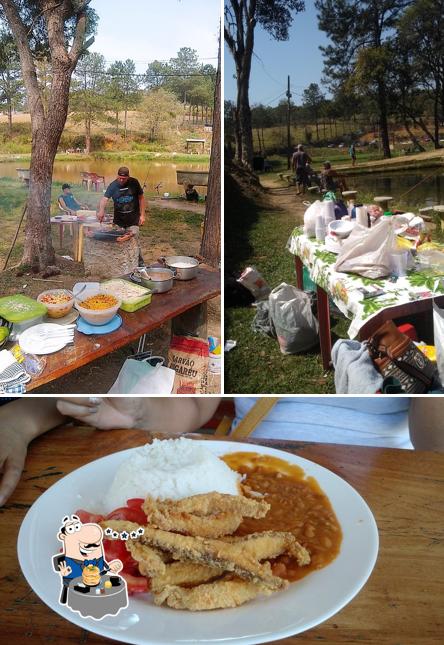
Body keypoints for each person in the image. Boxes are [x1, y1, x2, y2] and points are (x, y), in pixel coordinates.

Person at [1, 396, 443, 506]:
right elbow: (195, 408)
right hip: (242, 467)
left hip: (388, 479)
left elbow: (434, 446)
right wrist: (139, 412)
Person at [97, 166, 147, 265]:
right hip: (119, 221)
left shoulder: (134, 183)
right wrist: (101, 211)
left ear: (128, 177)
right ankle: (120, 262)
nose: (121, 180)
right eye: (119, 177)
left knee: (134, 241)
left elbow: (141, 198)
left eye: (123, 178)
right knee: (118, 241)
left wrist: (142, 215)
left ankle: (140, 264)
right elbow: (104, 199)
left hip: (133, 219)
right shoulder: (113, 185)